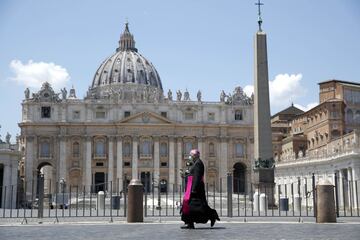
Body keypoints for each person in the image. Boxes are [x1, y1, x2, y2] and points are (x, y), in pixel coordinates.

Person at [180, 149, 220, 229]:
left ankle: (212, 215)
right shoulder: (195, 163)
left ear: (195, 155)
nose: (189, 157)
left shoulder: (198, 163)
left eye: (191, 155)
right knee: (193, 206)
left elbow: (197, 177)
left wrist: (194, 189)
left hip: (196, 190)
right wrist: (184, 175)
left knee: (196, 207)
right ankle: (190, 223)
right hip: (192, 188)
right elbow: (192, 174)